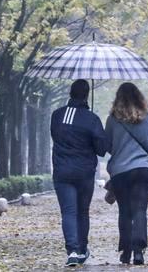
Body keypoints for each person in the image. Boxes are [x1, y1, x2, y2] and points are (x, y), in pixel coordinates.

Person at [51, 79, 108, 267]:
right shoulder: (91, 119)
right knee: (82, 212)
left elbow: (57, 138)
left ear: (70, 93)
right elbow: (101, 149)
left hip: (62, 172)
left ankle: (72, 250)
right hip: (84, 173)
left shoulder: (57, 116)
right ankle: (83, 249)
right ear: (86, 95)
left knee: (68, 211)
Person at [105, 82, 148, 266]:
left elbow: (107, 145)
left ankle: (126, 251)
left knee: (125, 211)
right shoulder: (146, 117)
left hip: (120, 172)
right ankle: (139, 251)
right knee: (140, 209)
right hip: (143, 169)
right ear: (138, 97)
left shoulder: (112, 119)